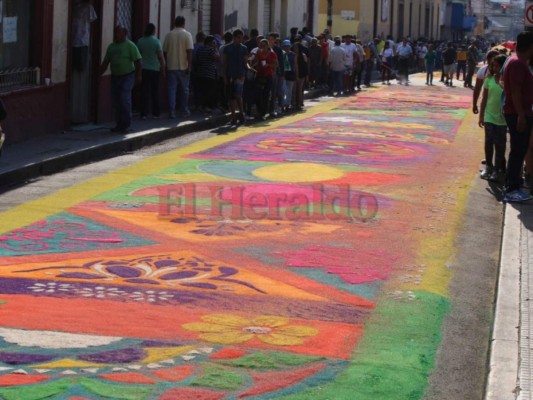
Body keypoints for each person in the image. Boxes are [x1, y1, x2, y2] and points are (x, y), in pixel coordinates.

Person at [501, 31, 533, 202]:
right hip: (517, 113)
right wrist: (521, 114)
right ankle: (512, 188)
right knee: (518, 150)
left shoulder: (517, 61)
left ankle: (514, 184)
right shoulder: (518, 63)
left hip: (519, 112)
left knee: (519, 150)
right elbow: (515, 91)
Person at [99, 26, 142, 133]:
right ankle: (119, 124)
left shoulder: (130, 46)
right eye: (115, 33)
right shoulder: (111, 47)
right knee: (116, 101)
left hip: (127, 76)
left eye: (118, 33)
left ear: (124, 33)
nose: (116, 35)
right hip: (115, 77)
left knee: (124, 98)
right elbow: (105, 62)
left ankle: (126, 123)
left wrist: (138, 76)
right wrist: (98, 74)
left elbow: (138, 61)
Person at [478, 55, 508, 181]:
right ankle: (489, 167)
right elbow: (484, 98)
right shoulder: (488, 79)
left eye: (497, 66)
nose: (495, 68)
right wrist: (481, 115)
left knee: (500, 144)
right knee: (488, 141)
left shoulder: (507, 80)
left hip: (502, 117)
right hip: (489, 115)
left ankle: (497, 169)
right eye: (493, 66)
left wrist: (502, 84)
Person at [163, 16, 193, 118]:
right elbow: (189, 52)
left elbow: (165, 51)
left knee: (172, 89)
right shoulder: (187, 34)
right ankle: (184, 110)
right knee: (184, 89)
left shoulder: (169, 35)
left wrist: (165, 65)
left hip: (171, 66)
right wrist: (189, 66)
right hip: (183, 66)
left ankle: (172, 111)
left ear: (174, 23)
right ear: (183, 23)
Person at [137, 23, 165, 119]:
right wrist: (163, 69)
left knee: (144, 92)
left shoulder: (140, 41)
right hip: (154, 70)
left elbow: (138, 57)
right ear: (154, 31)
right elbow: (160, 57)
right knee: (154, 91)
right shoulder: (156, 42)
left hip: (144, 69)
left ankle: (143, 113)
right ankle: (155, 113)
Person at [222, 29, 249, 125]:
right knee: (231, 97)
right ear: (234, 37)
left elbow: (245, 63)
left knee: (238, 95)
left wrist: (246, 71)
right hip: (230, 75)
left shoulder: (244, 48)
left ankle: (241, 113)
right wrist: (225, 76)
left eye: (241, 38)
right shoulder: (227, 48)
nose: (240, 40)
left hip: (240, 75)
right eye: (238, 38)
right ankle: (233, 116)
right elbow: (224, 63)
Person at [250, 39, 277, 120]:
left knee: (265, 95)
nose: (261, 47)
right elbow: (256, 62)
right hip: (259, 75)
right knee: (257, 94)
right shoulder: (259, 53)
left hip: (268, 76)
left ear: (267, 46)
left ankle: (263, 113)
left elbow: (276, 65)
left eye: (263, 46)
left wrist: (268, 64)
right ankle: (259, 111)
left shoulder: (272, 54)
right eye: (260, 45)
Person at [194, 35, 220, 113]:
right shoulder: (211, 50)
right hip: (209, 74)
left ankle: (200, 106)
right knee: (209, 91)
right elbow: (217, 57)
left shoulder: (200, 49)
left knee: (201, 90)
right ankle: (206, 106)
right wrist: (216, 48)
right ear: (211, 42)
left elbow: (197, 59)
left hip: (200, 73)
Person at [71, 0, 97, 71]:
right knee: (75, 65)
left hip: (81, 39)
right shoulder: (73, 7)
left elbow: (93, 20)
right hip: (77, 39)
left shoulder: (88, 7)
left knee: (80, 66)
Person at [472, 49, 499, 114]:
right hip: (487, 105)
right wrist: (474, 104)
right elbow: (477, 89)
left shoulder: (504, 71)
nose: (494, 66)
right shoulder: (482, 71)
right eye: (492, 63)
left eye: (496, 64)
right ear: (488, 61)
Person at [282, 40, 297, 111]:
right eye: (285, 46)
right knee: (284, 90)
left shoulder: (293, 54)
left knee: (289, 91)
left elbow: (295, 65)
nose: (286, 48)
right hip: (283, 74)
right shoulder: (282, 54)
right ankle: (283, 104)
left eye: (288, 46)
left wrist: (296, 74)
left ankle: (287, 104)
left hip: (291, 74)